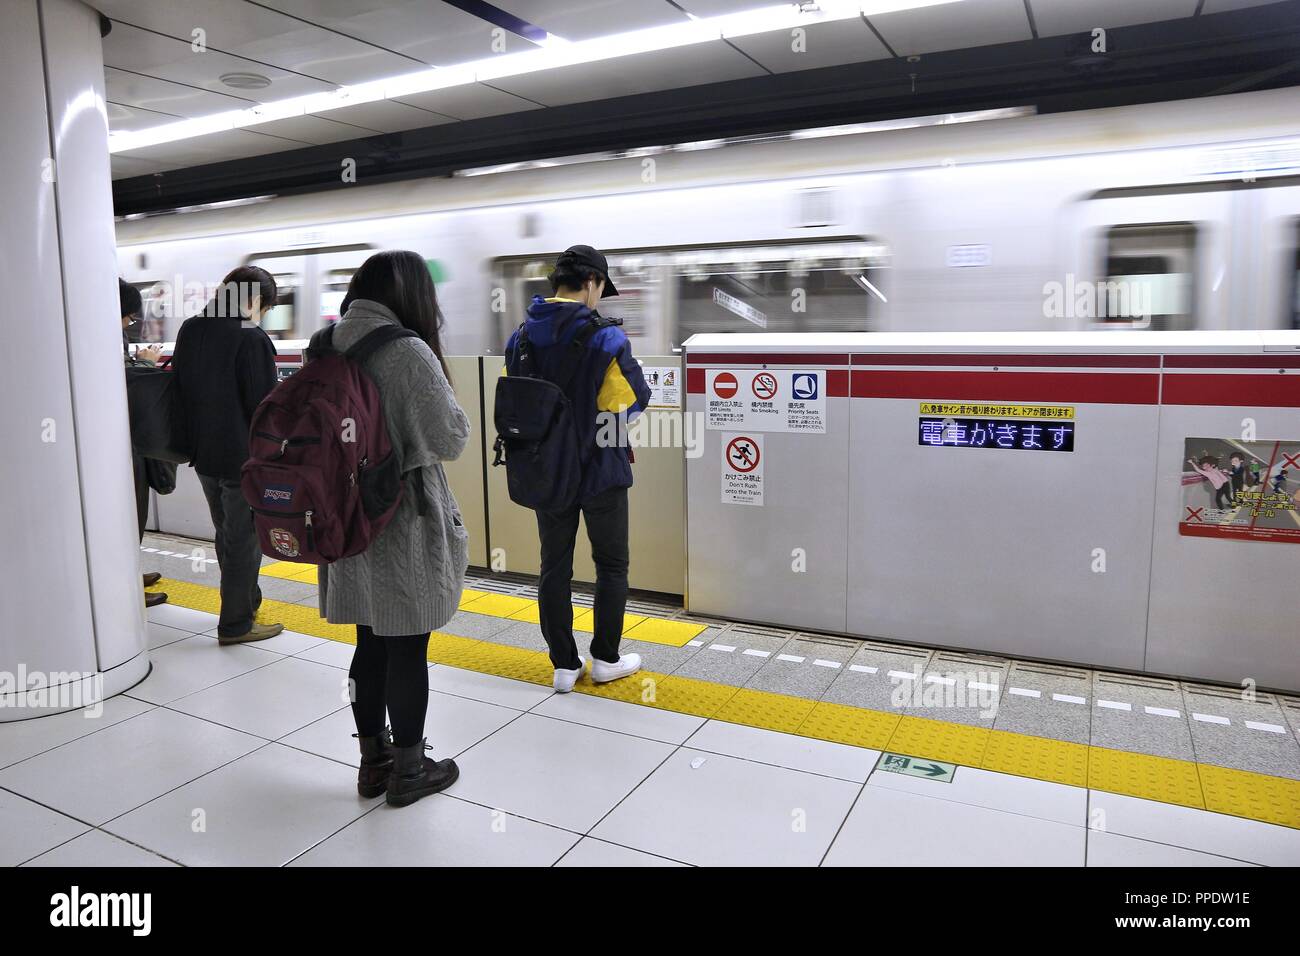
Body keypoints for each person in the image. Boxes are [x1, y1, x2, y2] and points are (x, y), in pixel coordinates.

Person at [313, 251, 470, 807]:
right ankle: (409, 770)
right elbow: (449, 438)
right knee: (407, 647)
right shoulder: (406, 350)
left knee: (368, 644)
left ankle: (372, 761)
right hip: (400, 520)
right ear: (411, 295)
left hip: (345, 523)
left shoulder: (324, 343)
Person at [503, 245, 651, 693]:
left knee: (554, 566)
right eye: (601, 288)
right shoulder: (607, 339)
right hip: (600, 468)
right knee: (611, 565)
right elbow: (631, 404)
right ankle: (605, 658)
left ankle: (564, 665)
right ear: (591, 282)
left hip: (547, 469)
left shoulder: (521, 338)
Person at [172, 267, 283, 645]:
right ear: (254, 301)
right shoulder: (250, 338)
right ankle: (236, 624)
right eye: (264, 308)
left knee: (228, 535)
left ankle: (246, 602)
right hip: (243, 459)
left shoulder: (191, 328)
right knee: (243, 541)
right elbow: (263, 406)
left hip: (204, 454)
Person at [121, 279, 167, 609]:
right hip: (122, 445)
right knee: (129, 515)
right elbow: (123, 381)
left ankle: (129, 572)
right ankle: (125, 584)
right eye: (131, 317)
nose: (131, 324)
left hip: (122, 442)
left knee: (133, 514)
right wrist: (148, 362)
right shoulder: (102, 334)